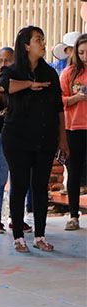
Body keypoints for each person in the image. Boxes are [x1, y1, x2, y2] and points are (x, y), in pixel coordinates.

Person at [0, 26, 69, 252]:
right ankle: (18, 236)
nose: (43, 43)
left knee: (40, 187)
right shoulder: (14, 70)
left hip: (45, 139)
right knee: (19, 185)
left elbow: (59, 108)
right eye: (38, 39)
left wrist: (63, 138)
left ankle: (40, 235)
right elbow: (3, 87)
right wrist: (29, 84)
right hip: (17, 138)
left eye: (43, 39)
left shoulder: (49, 73)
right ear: (27, 46)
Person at [0, 47, 33, 234]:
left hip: (20, 136)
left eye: (8, 60)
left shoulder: (23, 82)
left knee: (19, 178)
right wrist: (0, 91)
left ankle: (15, 218)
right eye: (0, 61)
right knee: (1, 176)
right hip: (0, 135)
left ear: (16, 61)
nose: (4, 64)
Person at [60, 33, 87, 230]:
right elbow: (58, 101)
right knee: (74, 172)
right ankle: (73, 215)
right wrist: (76, 98)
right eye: (81, 52)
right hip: (74, 128)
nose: (85, 56)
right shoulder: (69, 73)